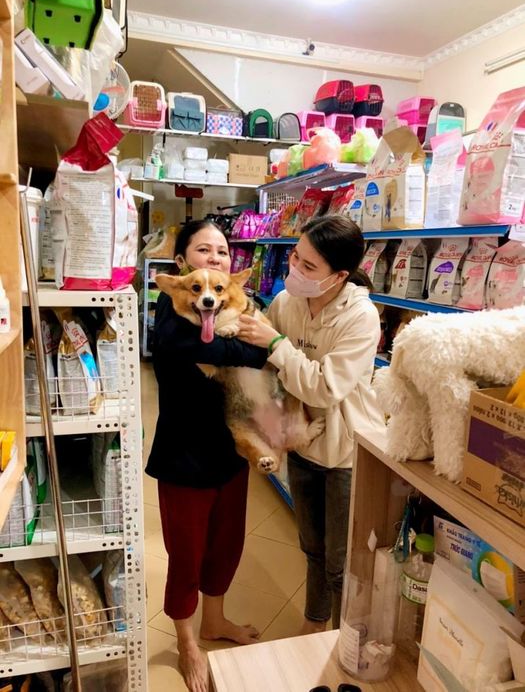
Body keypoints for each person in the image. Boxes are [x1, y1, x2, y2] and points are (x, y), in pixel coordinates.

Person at [238, 214, 385, 634]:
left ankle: (346, 638)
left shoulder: (361, 316)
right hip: (301, 441)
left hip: (346, 451)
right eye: (295, 258)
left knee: (341, 561)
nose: (296, 271)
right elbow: (266, 367)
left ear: (339, 276)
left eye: (308, 266)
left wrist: (277, 344)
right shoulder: (286, 303)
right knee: (312, 547)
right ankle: (314, 623)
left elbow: (324, 388)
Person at [146, 220, 267, 692]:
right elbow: (228, 349)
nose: (215, 257)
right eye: (203, 249)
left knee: (226, 544)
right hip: (183, 454)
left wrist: (252, 347)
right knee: (186, 553)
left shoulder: (230, 302)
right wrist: (249, 347)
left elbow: (256, 354)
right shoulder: (171, 306)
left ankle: (214, 621)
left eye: (222, 251)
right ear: (181, 264)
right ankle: (187, 643)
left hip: (231, 446)